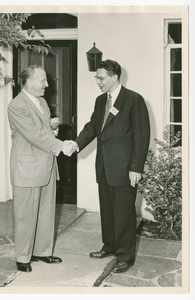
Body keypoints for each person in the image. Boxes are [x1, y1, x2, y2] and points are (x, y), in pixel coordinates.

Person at [69, 59, 150, 273]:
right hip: (104, 166)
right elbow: (93, 126)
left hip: (125, 168)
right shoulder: (100, 101)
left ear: (114, 77)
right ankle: (110, 246)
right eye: (97, 77)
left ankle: (125, 256)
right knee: (108, 210)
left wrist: (136, 167)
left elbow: (142, 136)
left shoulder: (133, 100)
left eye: (101, 77)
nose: (98, 81)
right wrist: (76, 144)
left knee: (124, 213)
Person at [7, 65, 73, 272]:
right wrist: (62, 145)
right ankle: (23, 257)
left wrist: (53, 127)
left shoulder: (42, 102)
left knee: (46, 211)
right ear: (28, 81)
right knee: (26, 215)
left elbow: (42, 130)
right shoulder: (16, 105)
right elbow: (33, 135)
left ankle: (42, 251)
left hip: (46, 164)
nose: (47, 84)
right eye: (42, 80)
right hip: (27, 168)